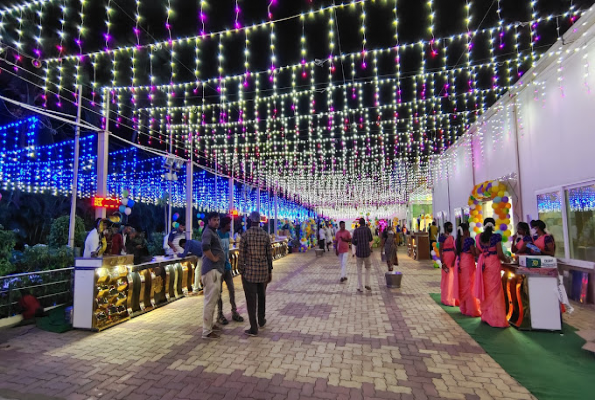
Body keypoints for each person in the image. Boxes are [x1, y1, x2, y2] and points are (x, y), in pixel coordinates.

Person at [239, 211, 273, 337]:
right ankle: (262, 320)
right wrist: (270, 271)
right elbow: (269, 255)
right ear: (259, 221)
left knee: (251, 300)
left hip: (249, 274)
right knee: (262, 296)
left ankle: (254, 328)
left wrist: (241, 271)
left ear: (250, 220)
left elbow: (241, 256)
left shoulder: (245, 235)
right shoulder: (265, 235)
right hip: (263, 272)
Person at [474, 218, 509, 328]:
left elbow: (477, 252)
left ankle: (486, 316)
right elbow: (499, 254)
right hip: (493, 263)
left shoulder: (479, 237)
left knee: (486, 289)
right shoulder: (496, 237)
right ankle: (496, 318)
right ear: (494, 225)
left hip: (483, 263)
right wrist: (507, 259)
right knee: (495, 290)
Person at [201, 213, 225, 339]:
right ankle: (206, 331)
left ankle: (210, 325)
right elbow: (205, 248)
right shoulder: (208, 233)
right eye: (214, 220)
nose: (217, 222)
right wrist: (214, 259)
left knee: (214, 299)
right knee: (210, 300)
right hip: (211, 270)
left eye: (218, 220)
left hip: (215, 270)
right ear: (209, 221)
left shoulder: (213, 232)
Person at [216, 216, 244, 325]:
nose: (230, 226)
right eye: (228, 224)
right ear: (224, 224)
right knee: (219, 292)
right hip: (218, 268)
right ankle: (220, 314)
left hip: (227, 267)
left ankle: (234, 312)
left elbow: (226, 251)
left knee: (232, 289)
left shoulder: (227, 235)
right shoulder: (217, 235)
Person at [455, 223, 481, 317]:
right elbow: (474, 253)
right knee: (470, 285)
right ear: (466, 231)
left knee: (463, 285)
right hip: (468, 262)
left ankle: (464, 307)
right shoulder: (469, 240)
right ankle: (471, 309)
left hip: (460, 262)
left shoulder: (457, 240)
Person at [439, 222, 458, 307]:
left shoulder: (452, 237)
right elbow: (440, 250)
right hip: (446, 258)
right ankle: (447, 298)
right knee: (447, 277)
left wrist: (455, 258)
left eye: (452, 226)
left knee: (453, 277)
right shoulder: (442, 237)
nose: (451, 227)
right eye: (450, 226)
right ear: (446, 227)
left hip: (452, 258)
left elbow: (454, 248)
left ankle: (453, 297)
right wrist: (442, 262)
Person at [352, 218, 373, 292]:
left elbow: (353, 242)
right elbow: (370, 240)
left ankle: (360, 286)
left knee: (359, 269)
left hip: (359, 252)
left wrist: (353, 252)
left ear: (359, 223)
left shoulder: (356, 230)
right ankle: (367, 283)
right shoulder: (368, 230)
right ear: (365, 223)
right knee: (368, 267)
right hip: (367, 252)